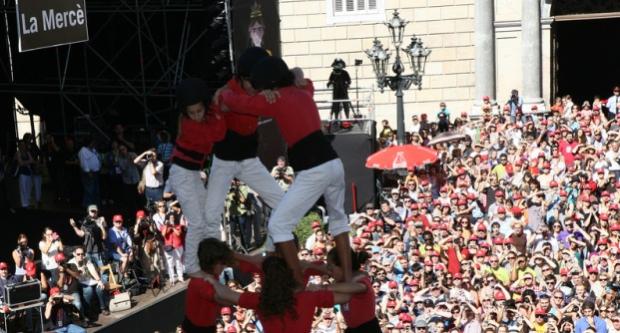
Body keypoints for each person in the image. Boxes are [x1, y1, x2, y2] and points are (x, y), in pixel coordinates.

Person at [218, 55, 353, 284]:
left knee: (279, 225)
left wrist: (224, 92)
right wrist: (297, 76)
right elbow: (306, 81)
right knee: (339, 220)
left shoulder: (276, 99)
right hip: (333, 162)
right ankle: (349, 277)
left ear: (269, 84)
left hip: (313, 168)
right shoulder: (303, 91)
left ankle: (299, 286)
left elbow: (238, 103)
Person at [201, 47, 285, 275]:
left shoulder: (258, 89)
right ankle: (212, 264)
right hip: (224, 160)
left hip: (248, 160)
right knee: (211, 213)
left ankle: (270, 249)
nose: (256, 89)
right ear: (243, 78)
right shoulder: (224, 93)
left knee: (283, 202)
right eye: (254, 84)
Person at [205, 256, 362, 333]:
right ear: (288, 276)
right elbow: (348, 296)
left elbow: (228, 294)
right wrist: (325, 286)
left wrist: (209, 279)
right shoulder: (308, 297)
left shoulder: (260, 300)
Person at [167, 77, 226, 279]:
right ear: (185, 112)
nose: (196, 115)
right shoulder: (188, 124)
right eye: (191, 112)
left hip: (191, 173)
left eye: (199, 111)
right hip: (182, 174)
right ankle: (191, 266)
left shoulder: (203, 117)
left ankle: (212, 256)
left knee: (209, 219)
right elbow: (217, 135)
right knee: (197, 223)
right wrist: (216, 110)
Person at [181, 238, 235, 333]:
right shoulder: (202, 282)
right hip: (195, 330)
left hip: (207, 326)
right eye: (222, 263)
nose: (224, 266)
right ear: (211, 263)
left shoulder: (211, 275)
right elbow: (226, 300)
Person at [327, 248, 381, 333]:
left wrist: (326, 287)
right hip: (352, 329)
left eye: (331, 267)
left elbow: (359, 287)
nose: (328, 270)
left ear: (344, 265)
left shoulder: (360, 278)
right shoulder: (340, 282)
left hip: (368, 329)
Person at [67, 246, 109, 318]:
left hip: (89, 281)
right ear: (74, 254)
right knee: (88, 290)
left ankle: (103, 308)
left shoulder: (86, 259)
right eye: (78, 254)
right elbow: (76, 277)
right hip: (78, 283)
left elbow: (92, 270)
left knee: (100, 287)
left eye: (82, 254)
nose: (81, 256)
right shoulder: (71, 263)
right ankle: (88, 310)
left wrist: (99, 280)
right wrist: (80, 270)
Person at [78, 136, 101, 208]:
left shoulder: (93, 150)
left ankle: (94, 205)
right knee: (89, 190)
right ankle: (87, 206)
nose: (94, 144)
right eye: (93, 142)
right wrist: (88, 172)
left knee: (95, 190)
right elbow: (84, 163)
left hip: (95, 172)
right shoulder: (83, 150)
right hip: (89, 173)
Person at [14, 140, 35, 208]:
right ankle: (24, 204)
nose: (23, 146)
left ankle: (28, 203)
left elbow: (32, 161)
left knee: (29, 188)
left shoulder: (27, 152)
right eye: (21, 144)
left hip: (28, 173)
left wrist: (25, 162)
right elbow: (20, 163)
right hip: (21, 173)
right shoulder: (18, 153)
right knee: (23, 189)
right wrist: (28, 162)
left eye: (24, 144)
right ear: (19, 146)